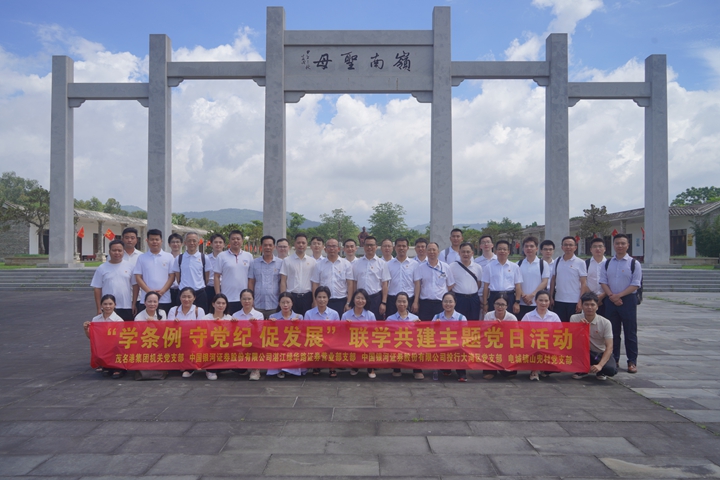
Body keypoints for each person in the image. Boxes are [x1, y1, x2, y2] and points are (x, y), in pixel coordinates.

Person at [599, 233, 642, 374]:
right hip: (610, 300)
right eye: (617, 243)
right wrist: (612, 296)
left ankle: (632, 361)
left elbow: (636, 284)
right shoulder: (607, 263)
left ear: (628, 245)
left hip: (628, 300)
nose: (620, 246)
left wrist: (619, 295)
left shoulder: (634, 264)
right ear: (613, 245)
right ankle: (614, 359)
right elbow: (603, 281)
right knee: (612, 332)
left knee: (630, 332)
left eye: (623, 243)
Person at [570, 292, 617, 380]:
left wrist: (600, 365)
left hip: (599, 353)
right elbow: (571, 339)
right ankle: (583, 370)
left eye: (592, 305)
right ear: (582, 306)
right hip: (583, 352)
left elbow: (609, 346)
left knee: (611, 370)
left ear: (597, 306)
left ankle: (600, 370)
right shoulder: (574, 318)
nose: (589, 307)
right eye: (586, 305)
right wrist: (579, 327)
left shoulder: (605, 322)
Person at [521, 290, 561, 381]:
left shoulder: (554, 316)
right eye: (541, 300)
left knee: (557, 367)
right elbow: (522, 332)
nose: (543, 303)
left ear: (549, 302)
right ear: (536, 301)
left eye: (546, 301)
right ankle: (534, 370)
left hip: (549, 346)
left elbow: (559, 333)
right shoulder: (528, 316)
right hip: (531, 345)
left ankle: (544, 370)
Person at [168, 287, 207, 379]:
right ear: (180, 297)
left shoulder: (199, 310)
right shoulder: (173, 310)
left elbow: (201, 329)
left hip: (192, 340)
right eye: (184, 296)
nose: (186, 299)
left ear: (194, 298)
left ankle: (190, 368)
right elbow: (168, 329)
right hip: (177, 339)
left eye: (189, 297)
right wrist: (174, 324)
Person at [133, 229, 175, 314]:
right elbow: (138, 277)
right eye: (152, 239)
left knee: (164, 321)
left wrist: (162, 292)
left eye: (157, 239)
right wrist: (150, 292)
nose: (154, 242)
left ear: (161, 241)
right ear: (147, 241)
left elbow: (172, 276)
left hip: (164, 299)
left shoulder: (169, 257)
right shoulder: (142, 257)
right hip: (146, 300)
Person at [83, 294, 125, 378]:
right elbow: (91, 338)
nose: (108, 306)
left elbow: (120, 339)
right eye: (105, 304)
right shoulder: (96, 319)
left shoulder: (119, 320)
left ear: (115, 305)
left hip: (115, 346)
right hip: (102, 346)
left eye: (110, 304)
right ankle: (105, 365)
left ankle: (118, 368)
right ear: (101, 305)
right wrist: (86, 329)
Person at [91, 239, 134, 320]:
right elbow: (97, 288)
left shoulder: (130, 267)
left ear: (123, 252)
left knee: (126, 328)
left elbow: (135, 286)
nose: (117, 253)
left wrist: (134, 303)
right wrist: (99, 308)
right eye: (114, 250)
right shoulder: (102, 268)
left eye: (119, 250)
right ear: (109, 252)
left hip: (126, 306)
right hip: (108, 307)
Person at [548, 236, 588, 322]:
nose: (568, 247)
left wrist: (581, 301)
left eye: (570, 245)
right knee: (560, 325)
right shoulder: (557, 261)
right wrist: (551, 297)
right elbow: (553, 280)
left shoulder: (580, 262)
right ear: (562, 247)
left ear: (575, 247)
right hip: (559, 300)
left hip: (574, 301)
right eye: (565, 245)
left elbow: (583, 283)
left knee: (574, 325)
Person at [413, 242, 455, 320]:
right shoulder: (420, 267)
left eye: (434, 250)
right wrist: (416, 302)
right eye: (429, 250)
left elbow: (450, 284)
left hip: (441, 303)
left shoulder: (445, 267)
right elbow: (418, 285)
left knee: (441, 325)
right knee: (425, 325)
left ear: (438, 252)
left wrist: (441, 291)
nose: (431, 252)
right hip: (425, 303)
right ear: (426, 252)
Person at [214, 230, 253, 315]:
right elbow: (216, 276)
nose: (235, 241)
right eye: (233, 239)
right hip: (227, 297)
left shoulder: (249, 256)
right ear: (229, 241)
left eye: (238, 239)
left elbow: (251, 278)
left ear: (242, 241)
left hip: (244, 299)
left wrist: (250, 295)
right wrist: (218, 295)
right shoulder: (222, 256)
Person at [310, 238, 354, 315]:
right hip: (324, 301)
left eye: (334, 246)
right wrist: (315, 301)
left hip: (341, 301)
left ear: (338, 249)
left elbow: (350, 284)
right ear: (325, 249)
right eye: (329, 246)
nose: (331, 248)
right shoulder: (319, 265)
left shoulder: (346, 264)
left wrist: (348, 302)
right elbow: (315, 284)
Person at [304, 286, 340, 377]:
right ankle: (316, 366)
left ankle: (332, 368)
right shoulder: (309, 313)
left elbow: (337, 331)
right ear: (315, 298)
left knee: (333, 344)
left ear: (328, 298)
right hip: (314, 339)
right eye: (319, 297)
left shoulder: (334, 313)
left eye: (324, 297)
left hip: (330, 340)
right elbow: (305, 331)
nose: (322, 300)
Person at [386, 292, 423, 379]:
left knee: (418, 346)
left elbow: (419, 335)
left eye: (404, 301)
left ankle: (417, 369)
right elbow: (387, 335)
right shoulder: (390, 319)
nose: (401, 304)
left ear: (408, 303)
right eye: (399, 301)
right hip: (396, 344)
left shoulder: (415, 318)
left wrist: (419, 325)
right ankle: (396, 368)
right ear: (395, 303)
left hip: (410, 345)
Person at [342, 289, 378, 378]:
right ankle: (355, 366)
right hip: (351, 340)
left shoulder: (370, 315)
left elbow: (374, 332)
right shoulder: (346, 315)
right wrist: (346, 326)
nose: (360, 301)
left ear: (366, 301)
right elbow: (341, 333)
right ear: (353, 299)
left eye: (363, 298)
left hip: (366, 340)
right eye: (358, 298)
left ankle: (370, 367)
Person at [352, 236, 390, 319]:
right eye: (367, 245)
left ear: (376, 247)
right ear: (364, 246)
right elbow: (355, 283)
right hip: (360, 299)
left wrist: (383, 302)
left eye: (372, 245)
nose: (369, 247)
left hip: (375, 299)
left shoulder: (382, 263)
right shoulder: (357, 263)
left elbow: (385, 284)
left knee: (376, 323)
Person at [267, 292, 304, 379]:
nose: (285, 305)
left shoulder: (299, 317)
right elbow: (269, 335)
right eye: (283, 302)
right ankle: (280, 369)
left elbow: (302, 335)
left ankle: (289, 369)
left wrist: (297, 324)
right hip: (278, 344)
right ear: (279, 303)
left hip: (293, 343)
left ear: (292, 303)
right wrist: (270, 324)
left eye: (288, 302)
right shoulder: (273, 317)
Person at [481, 240, 523, 318]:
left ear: (508, 251)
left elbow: (518, 286)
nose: (502, 251)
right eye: (499, 249)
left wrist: (517, 302)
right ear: (495, 251)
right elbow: (486, 287)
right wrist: (485, 303)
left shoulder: (514, 267)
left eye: (504, 249)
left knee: (508, 320)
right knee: (493, 320)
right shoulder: (489, 267)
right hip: (494, 296)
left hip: (509, 297)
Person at [432, 292, 467, 382]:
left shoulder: (461, 318)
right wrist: (436, 326)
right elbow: (430, 333)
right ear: (442, 303)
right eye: (445, 301)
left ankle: (461, 373)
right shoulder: (436, 317)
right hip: (441, 344)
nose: (448, 304)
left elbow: (465, 334)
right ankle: (446, 369)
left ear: (455, 303)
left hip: (457, 344)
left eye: (450, 302)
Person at [172, 232, 212, 310]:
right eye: (189, 240)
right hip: (183, 293)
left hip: (199, 293)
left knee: (201, 315)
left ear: (198, 242)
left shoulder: (204, 258)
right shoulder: (179, 258)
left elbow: (206, 278)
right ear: (185, 243)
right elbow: (178, 277)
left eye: (194, 241)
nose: (192, 243)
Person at [482, 293, 518, 380]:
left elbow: (516, 336)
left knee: (510, 374)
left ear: (507, 306)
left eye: (502, 305)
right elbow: (483, 333)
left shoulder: (512, 318)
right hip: (491, 345)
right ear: (493, 304)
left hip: (507, 347)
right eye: (497, 304)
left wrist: (503, 328)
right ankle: (492, 369)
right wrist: (493, 326)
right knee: (488, 375)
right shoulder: (488, 315)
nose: (500, 307)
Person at [280, 233, 317, 316]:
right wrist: (283, 298)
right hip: (291, 297)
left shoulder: (312, 261)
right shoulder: (287, 261)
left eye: (303, 243)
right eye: (298, 242)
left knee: (306, 321)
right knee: (291, 321)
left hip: (307, 297)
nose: (301, 245)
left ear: (307, 244)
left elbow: (314, 283)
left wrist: (315, 300)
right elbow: (283, 281)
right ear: (294, 244)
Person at [232, 289, 265, 380]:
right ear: (240, 300)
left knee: (256, 344)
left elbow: (260, 332)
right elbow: (232, 334)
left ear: (253, 300)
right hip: (239, 342)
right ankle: (243, 369)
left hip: (253, 342)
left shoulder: (259, 315)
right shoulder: (235, 315)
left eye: (249, 299)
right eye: (244, 299)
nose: (247, 301)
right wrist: (233, 325)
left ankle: (255, 369)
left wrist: (255, 325)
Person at [248, 235, 283, 319]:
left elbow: (282, 282)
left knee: (274, 327)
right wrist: (251, 299)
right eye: (265, 245)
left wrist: (281, 300)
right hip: (258, 303)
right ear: (261, 247)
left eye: (270, 245)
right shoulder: (254, 263)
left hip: (274, 303)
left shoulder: (281, 263)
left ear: (274, 247)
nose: (268, 247)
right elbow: (251, 282)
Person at [517, 236, 551, 319]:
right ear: (523, 248)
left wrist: (532, 295)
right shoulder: (518, 264)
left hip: (537, 303)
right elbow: (517, 283)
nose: (529, 248)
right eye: (526, 246)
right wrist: (523, 295)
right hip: (521, 302)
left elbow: (544, 282)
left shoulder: (543, 264)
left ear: (536, 248)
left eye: (531, 246)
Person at [201, 293, 233, 380]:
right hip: (210, 349)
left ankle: (219, 368)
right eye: (218, 303)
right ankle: (210, 369)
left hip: (225, 348)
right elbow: (202, 335)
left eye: (223, 303)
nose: (221, 305)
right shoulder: (205, 318)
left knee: (242, 371)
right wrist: (213, 325)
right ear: (213, 304)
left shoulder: (230, 318)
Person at [448, 242, 482, 320]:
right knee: (458, 321)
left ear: (472, 253)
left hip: (473, 299)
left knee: (473, 321)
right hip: (459, 299)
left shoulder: (478, 267)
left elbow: (479, 284)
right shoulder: (452, 266)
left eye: (468, 252)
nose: (465, 254)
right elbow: (450, 284)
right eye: (463, 252)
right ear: (459, 253)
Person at [386, 237, 418, 317]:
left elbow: (417, 284)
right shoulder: (388, 264)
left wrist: (416, 302)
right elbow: (385, 284)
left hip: (409, 299)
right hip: (392, 299)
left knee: (409, 322)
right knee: (392, 322)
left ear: (407, 248)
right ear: (395, 248)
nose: (401, 248)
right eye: (399, 246)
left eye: (404, 246)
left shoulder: (414, 264)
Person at [121, 227, 142, 312]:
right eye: (127, 238)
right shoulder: (116, 255)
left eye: (132, 238)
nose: (129, 240)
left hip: (139, 297)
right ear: (122, 239)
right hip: (120, 297)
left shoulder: (141, 256)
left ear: (136, 240)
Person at [586, 237, 608, 317]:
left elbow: (612, 281)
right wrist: (593, 297)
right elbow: (583, 282)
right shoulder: (586, 264)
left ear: (604, 249)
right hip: (589, 299)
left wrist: (603, 295)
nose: (597, 249)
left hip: (606, 298)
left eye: (600, 246)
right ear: (591, 249)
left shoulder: (610, 263)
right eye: (595, 247)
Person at [205, 233, 226, 313]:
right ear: (211, 244)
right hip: (209, 288)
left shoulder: (227, 258)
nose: (218, 244)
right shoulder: (206, 258)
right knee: (209, 310)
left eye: (220, 242)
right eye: (215, 242)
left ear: (224, 244)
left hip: (223, 287)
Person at [167, 233, 184, 307]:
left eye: (177, 242)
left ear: (182, 244)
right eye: (173, 242)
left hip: (181, 290)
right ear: (169, 244)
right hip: (168, 290)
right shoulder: (166, 258)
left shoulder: (185, 258)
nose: (175, 244)